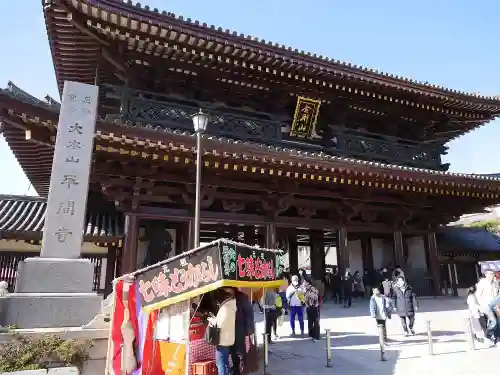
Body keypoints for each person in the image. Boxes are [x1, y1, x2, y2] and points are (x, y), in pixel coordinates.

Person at [208, 288, 237, 375]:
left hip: (222, 340)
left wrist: (212, 320)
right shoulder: (232, 305)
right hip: (228, 338)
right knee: (225, 363)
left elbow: (220, 324)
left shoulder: (226, 307)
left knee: (221, 364)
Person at [231, 289, 255, 375]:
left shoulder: (242, 299)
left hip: (240, 328)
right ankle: (236, 369)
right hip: (232, 328)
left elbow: (249, 314)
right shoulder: (231, 298)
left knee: (240, 351)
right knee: (234, 351)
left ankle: (242, 369)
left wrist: (249, 329)